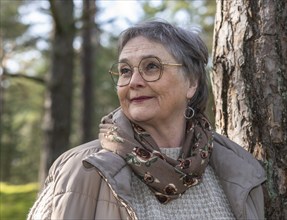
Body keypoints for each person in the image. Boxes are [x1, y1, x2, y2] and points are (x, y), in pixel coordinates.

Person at [28, 20, 266, 220]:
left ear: (192, 82)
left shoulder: (238, 168)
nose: (134, 81)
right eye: (124, 71)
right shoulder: (83, 169)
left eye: (151, 67)